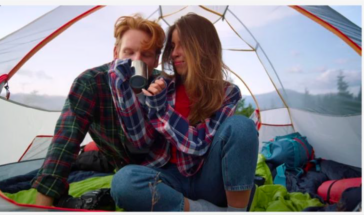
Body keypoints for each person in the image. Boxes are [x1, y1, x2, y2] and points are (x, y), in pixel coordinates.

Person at [109, 13, 257, 211]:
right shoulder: (162, 86)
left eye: (183, 45)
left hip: (209, 179)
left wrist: (162, 111)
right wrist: (122, 86)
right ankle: (203, 210)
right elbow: (140, 140)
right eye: (172, 46)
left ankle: (235, 211)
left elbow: (198, 144)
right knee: (123, 182)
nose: (174, 53)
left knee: (242, 126)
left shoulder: (227, 93)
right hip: (170, 179)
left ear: (204, 47)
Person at [29, 14, 167, 207]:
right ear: (116, 53)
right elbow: (66, 138)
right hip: (118, 159)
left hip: (154, 164)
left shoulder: (166, 85)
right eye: (129, 52)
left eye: (146, 54)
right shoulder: (91, 83)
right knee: (82, 160)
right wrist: (42, 204)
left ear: (156, 60)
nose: (136, 61)